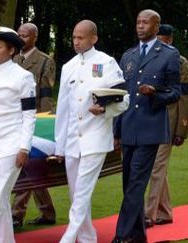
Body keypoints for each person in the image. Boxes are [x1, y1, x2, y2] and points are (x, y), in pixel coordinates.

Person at [54, 20, 129, 243]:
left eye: (81, 38)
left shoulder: (106, 62)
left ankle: (67, 238)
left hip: (95, 137)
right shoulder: (68, 66)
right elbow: (63, 109)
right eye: (74, 37)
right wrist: (60, 146)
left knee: (82, 192)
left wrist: (105, 109)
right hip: (72, 140)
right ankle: (88, 238)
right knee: (75, 193)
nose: (76, 42)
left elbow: (123, 98)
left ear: (93, 39)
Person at [113, 10, 180, 243]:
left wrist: (155, 94)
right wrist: (116, 130)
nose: (140, 26)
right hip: (129, 126)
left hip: (151, 127)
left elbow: (175, 92)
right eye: (138, 22)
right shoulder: (129, 55)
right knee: (128, 184)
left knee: (136, 183)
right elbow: (120, 96)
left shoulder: (169, 55)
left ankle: (121, 236)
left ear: (156, 25)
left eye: (145, 22)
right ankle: (138, 236)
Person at [0, 26, 36, 243]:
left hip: (11, 144)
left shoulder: (24, 77)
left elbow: (29, 115)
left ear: (11, 50)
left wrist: (24, 147)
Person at [11, 22, 57, 228]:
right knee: (32, 169)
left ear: (35, 37)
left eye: (26, 35)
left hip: (35, 119)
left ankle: (16, 214)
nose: (21, 38)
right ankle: (47, 212)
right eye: (19, 35)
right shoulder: (12, 59)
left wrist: (44, 121)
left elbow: (46, 95)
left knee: (26, 167)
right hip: (14, 120)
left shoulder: (45, 61)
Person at [144, 24, 188, 228]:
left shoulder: (179, 62)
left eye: (161, 40)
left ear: (169, 40)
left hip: (169, 122)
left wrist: (181, 129)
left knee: (156, 167)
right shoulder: (148, 57)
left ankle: (149, 214)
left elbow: (184, 98)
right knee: (159, 169)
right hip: (150, 120)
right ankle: (165, 211)